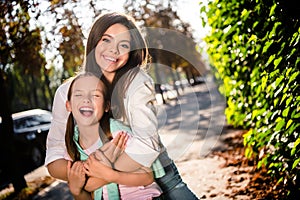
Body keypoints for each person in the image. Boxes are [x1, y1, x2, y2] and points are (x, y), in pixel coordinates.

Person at [45, 11, 199, 199]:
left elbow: (147, 145)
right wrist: (83, 177)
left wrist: (98, 177)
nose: (114, 50)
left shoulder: (137, 82)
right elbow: (54, 154)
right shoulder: (66, 92)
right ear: (94, 42)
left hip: (159, 176)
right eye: (106, 40)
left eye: (123, 45)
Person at [64, 72, 162, 199]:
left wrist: (109, 174)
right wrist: (76, 190)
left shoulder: (118, 134)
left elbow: (147, 177)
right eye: (78, 94)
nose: (86, 99)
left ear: (106, 106)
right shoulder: (73, 145)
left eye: (95, 95)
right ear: (68, 105)